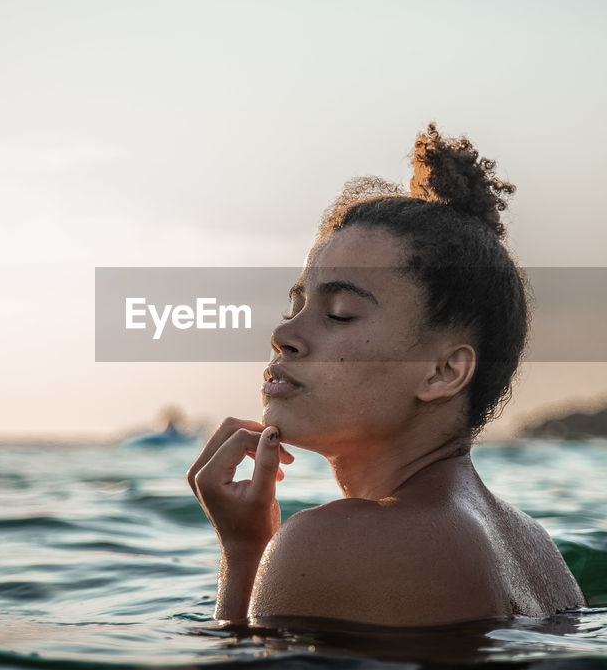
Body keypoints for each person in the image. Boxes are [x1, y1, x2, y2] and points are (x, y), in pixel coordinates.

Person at [187, 124, 585, 626]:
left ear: (442, 372)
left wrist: (245, 554)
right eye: (297, 303)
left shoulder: (342, 542)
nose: (284, 333)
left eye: (340, 313)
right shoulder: (533, 547)